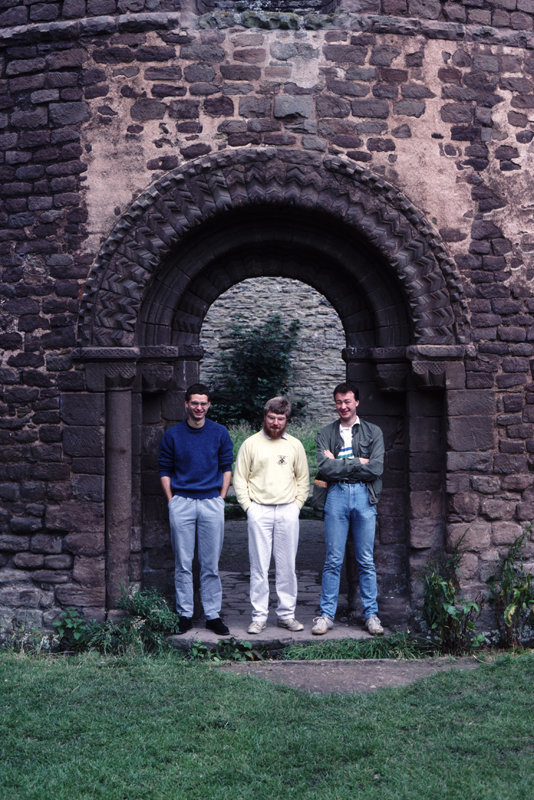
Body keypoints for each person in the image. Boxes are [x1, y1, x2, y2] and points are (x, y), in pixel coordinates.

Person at [158, 383, 233, 636]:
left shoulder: (220, 433)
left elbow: (226, 468)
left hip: (211, 502)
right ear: (186, 404)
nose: (199, 407)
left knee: (211, 563)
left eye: (204, 403)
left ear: (208, 405)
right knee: (183, 562)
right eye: (195, 403)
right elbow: (165, 470)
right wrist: (172, 500)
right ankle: (185, 614)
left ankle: (212, 615)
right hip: (182, 502)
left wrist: (221, 498)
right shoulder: (173, 435)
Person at [312, 382, 385, 636]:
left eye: (348, 401)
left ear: (357, 403)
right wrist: (357, 462)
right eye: (339, 402)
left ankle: (371, 615)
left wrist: (341, 462)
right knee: (333, 559)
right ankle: (326, 615)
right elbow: (324, 468)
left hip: (364, 495)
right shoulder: (324, 433)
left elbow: (375, 468)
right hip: (336, 494)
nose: (343, 406)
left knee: (365, 559)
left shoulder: (373, 432)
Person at [233, 397, 309, 634]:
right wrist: (249, 508)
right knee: (259, 566)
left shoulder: (294, 445)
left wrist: (296, 506)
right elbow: (240, 478)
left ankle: (287, 614)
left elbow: (303, 479)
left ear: (287, 420)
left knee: (287, 565)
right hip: (259, 510)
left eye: (280, 419)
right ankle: (259, 617)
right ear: (265, 416)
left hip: (287, 509)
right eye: (271, 418)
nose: (275, 423)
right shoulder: (250, 444)